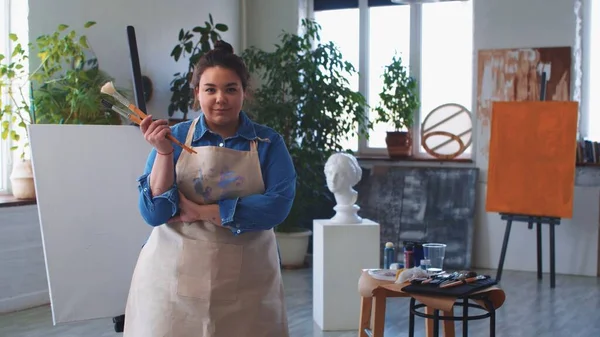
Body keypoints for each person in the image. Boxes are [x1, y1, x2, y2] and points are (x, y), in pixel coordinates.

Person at [122, 40, 296, 337]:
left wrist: (203, 211)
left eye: (231, 89)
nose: (220, 99)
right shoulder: (174, 138)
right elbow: (155, 212)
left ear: (244, 92)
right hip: (172, 280)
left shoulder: (268, 143)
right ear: (197, 94)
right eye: (210, 89)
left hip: (249, 283)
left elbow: (277, 206)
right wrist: (164, 153)